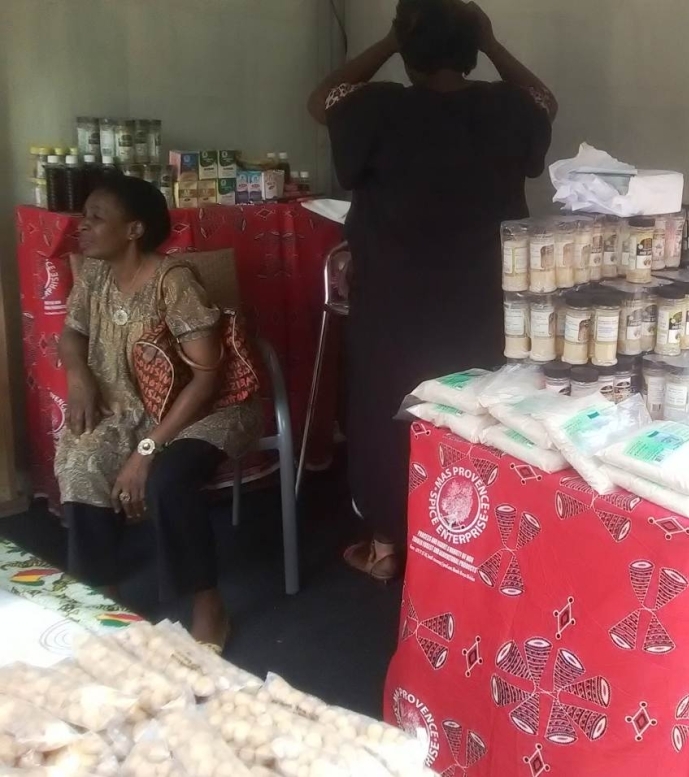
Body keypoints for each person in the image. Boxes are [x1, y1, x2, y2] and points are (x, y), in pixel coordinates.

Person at [307, 0, 556, 581]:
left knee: (384, 412)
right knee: (477, 410)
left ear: (407, 48)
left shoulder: (376, 106)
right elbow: (547, 100)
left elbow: (321, 100)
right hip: (480, 297)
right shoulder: (507, 107)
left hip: (394, 300)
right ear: (472, 50)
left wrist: (389, 43)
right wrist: (492, 44)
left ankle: (389, 542)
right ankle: (466, 535)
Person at [55, 174, 263, 650]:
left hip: (204, 410)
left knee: (168, 477)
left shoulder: (174, 283)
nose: (81, 227)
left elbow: (208, 378)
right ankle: (104, 598)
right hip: (127, 407)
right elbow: (72, 333)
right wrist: (79, 376)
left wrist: (146, 450)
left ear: (133, 230)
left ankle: (207, 603)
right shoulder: (93, 274)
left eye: (95, 218)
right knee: (80, 461)